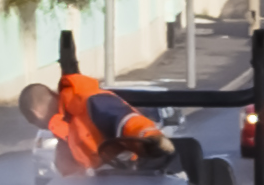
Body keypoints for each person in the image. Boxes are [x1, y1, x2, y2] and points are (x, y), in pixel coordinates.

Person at [18, 73, 170, 176]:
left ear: (35, 113)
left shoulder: (90, 102)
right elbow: (76, 170)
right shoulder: (66, 125)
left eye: (32, 122)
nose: (38, 126)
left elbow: (127, 120)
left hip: (138, 175)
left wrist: (151, 139)